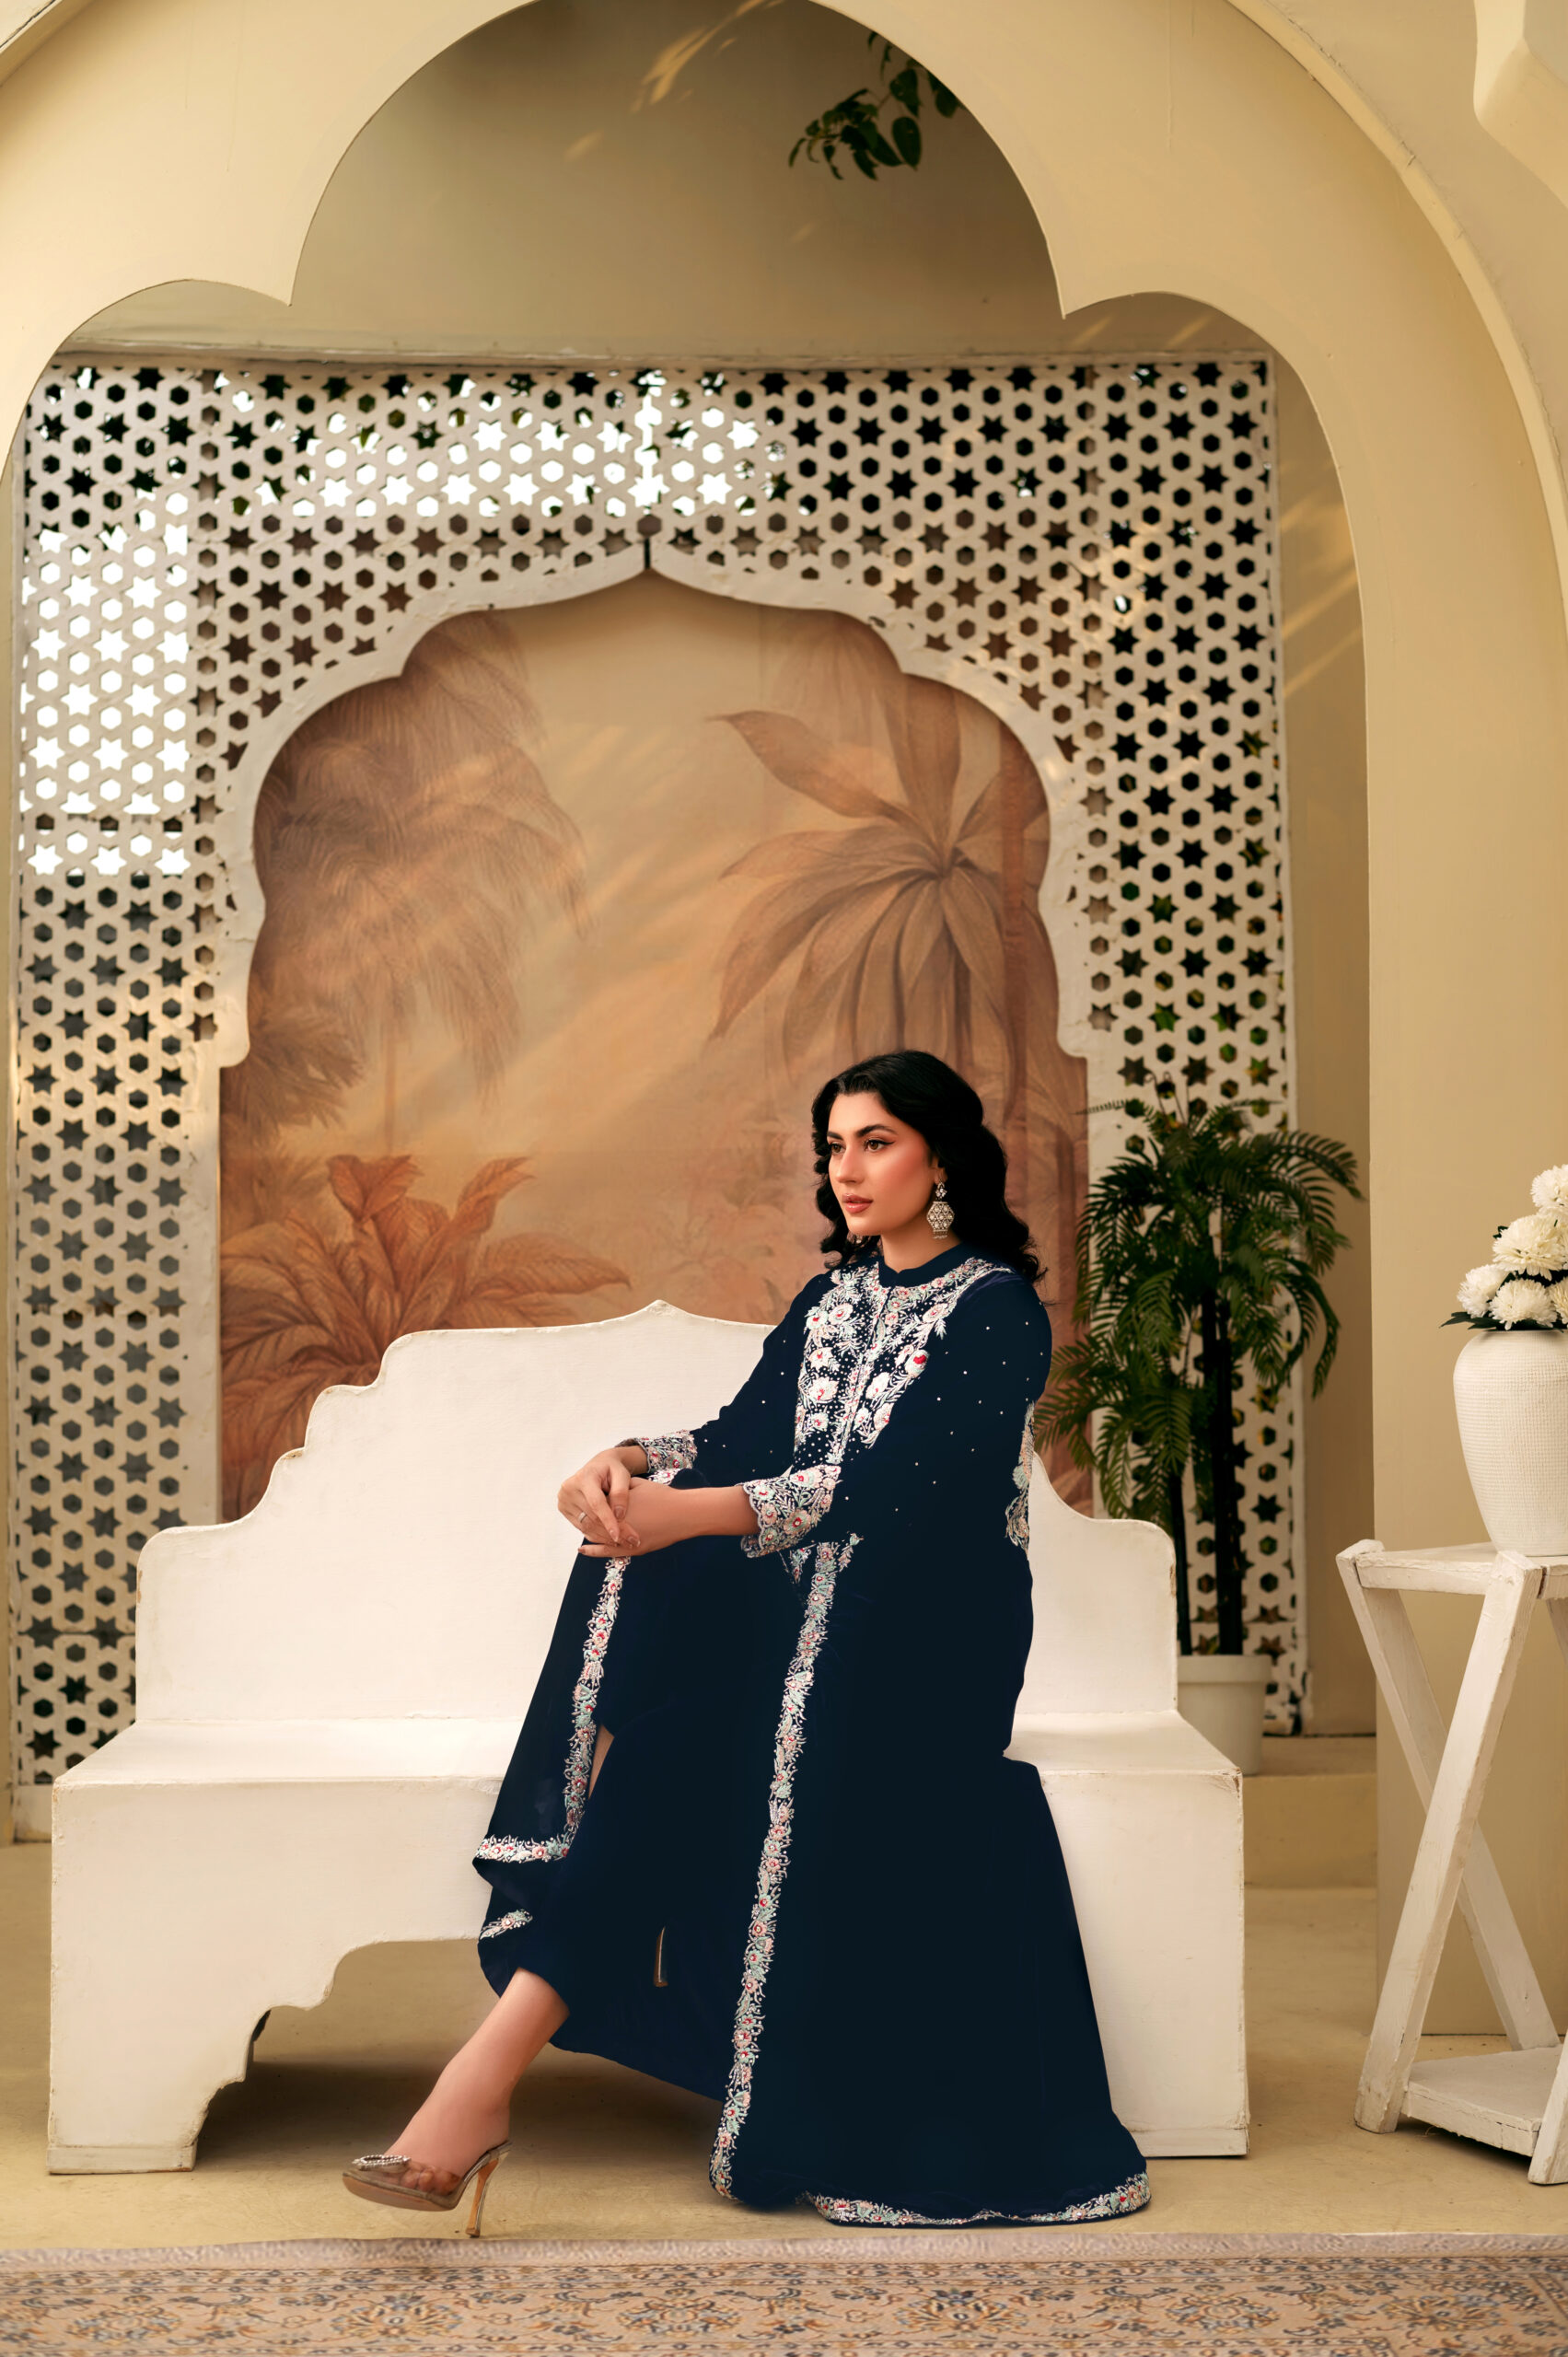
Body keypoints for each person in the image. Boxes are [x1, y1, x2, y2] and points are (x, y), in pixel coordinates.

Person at [343, 1050, 1150, 2233]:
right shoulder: (832, 1302)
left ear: (940, 1157)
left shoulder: (995, 1311)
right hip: (808, 1637)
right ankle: (477, 2086)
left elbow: (889, 1487)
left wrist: (691, 1514)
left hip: (930, 1648)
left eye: (875, 1142)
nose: (847, 1169)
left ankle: (475, 2088)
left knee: (702, 1742)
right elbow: (742, 1435)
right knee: (665, 1747)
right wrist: (627, 1462)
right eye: (834, 1147)